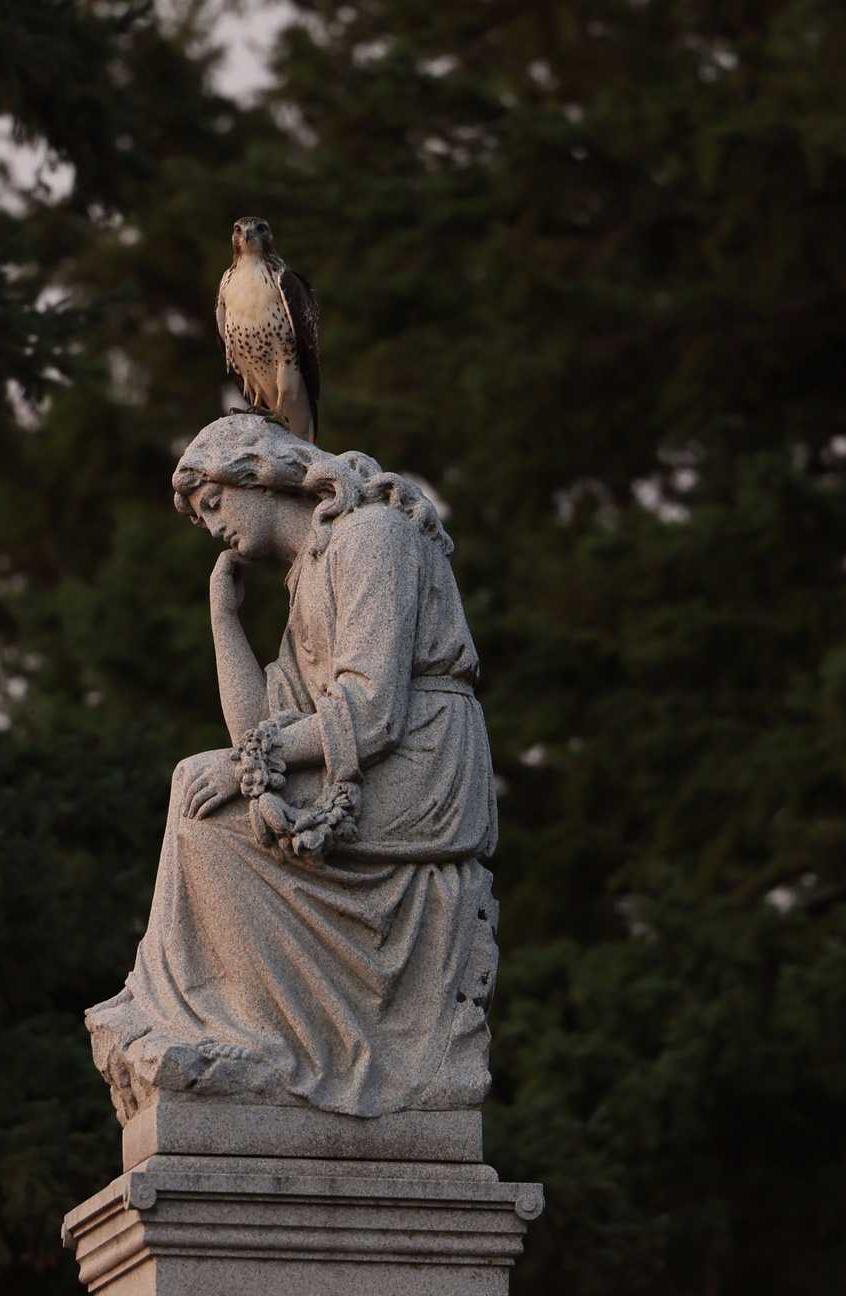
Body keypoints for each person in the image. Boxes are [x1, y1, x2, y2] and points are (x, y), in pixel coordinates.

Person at [86, 414, 502, 1122]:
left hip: (425, 764)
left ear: (260, 472)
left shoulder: (371, 535)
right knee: (199, 786)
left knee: (210, 812)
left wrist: (259, 761)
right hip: (377, 757)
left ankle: (246, 1030)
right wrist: (223, 620)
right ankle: (222, 1020)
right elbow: (256, 737)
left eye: (212, 503)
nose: (210, 526)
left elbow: (371, 711)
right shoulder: (307, 575)